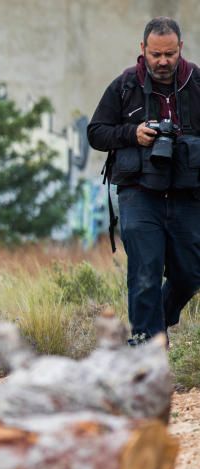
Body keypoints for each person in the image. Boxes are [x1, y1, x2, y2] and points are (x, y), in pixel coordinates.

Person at [88, 17, 200, 345]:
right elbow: (95, 132)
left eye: (169, 54)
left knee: (192, 271)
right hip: (139, 192)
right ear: (143, 50)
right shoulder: (125, 85)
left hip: (187, 193)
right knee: (145, 273)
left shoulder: (196, 83)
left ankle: (158, 324)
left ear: (180, 48)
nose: (163, 61)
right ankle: (145, 345)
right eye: (155, 55)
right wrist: (132, 133)